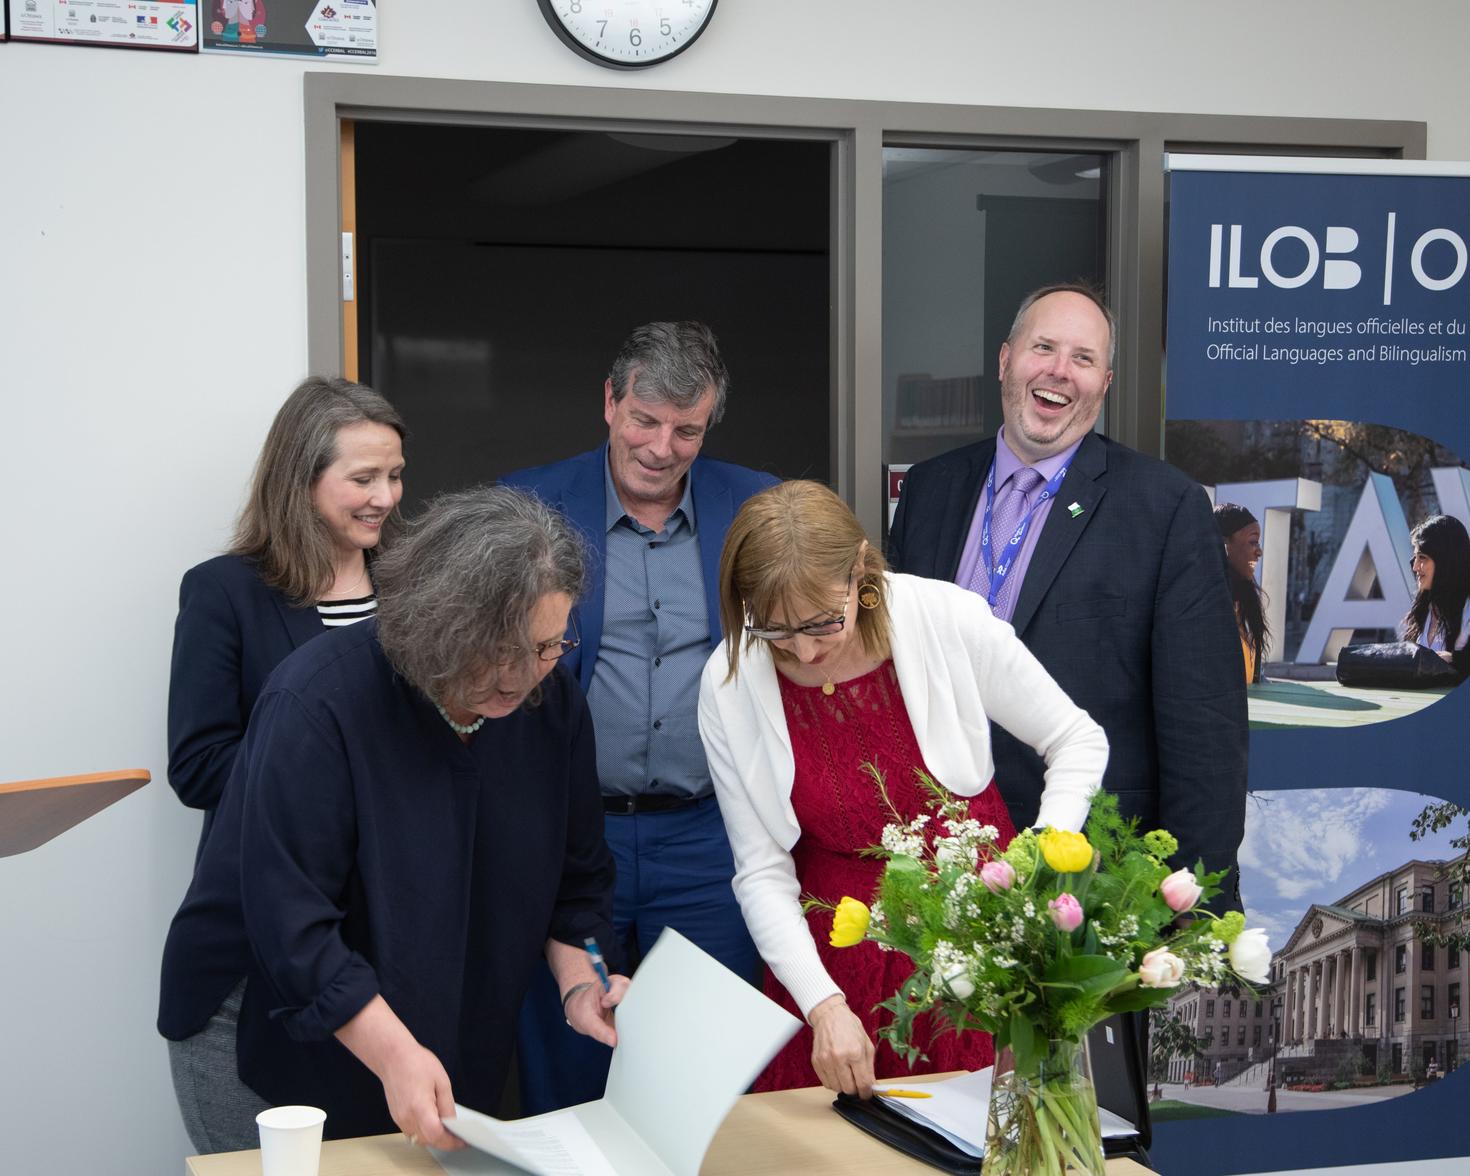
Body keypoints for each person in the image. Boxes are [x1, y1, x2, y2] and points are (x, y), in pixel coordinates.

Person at [158, 487, 623, 1153]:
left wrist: (585, 982)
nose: (525, 676)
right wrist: (395, 1052)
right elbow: (295, 927)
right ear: (438, 623)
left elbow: (577, 887)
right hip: (283, 1033)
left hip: (436, 1022)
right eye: (503, 649)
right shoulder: (319, 703)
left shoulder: (551, 706)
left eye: (549, 645)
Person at [699, 480, 1108, 1096]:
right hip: (832, 960)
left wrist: (1043, 861)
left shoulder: (947, 619)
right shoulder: (728, 682)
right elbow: (760, 871)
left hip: (973, 948)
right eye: (776, 633)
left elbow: (1076, 739)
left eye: (821, 624)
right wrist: (822, 1006)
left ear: (862, 570)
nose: (805, 652)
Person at [889, 284, 1247, 906]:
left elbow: (1205, 721)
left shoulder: (1165, 508)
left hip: (1092, 872)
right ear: (1005, 361)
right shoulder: (929, 490)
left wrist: (1198, 892)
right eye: (1044, 348)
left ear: (1105, 383)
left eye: (1083, 359)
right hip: (937, 857)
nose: (1059, 371)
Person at [503, 320, 777, 1113]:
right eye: (645, 421)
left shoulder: (755, 506)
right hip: (568, 840)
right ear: (610, 403)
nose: (663, 446)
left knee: (702, 1076)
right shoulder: (527, 507)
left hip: (705, 843)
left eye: (687, 429)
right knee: (572, 1056)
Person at [167, 376, 405, 857]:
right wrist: (349, 764)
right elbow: (198, 769)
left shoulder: (416, 585)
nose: (385, 497)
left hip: (396, 878)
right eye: (363, 479)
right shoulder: (223, 592)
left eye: (395, 475)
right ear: (302, 480)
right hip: (279, 879)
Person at [1402, 513, 1470, 678]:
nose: (1415, 567)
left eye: (1422, 558)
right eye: (1415, 558)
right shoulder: (1424, 608)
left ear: (1446, 561)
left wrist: (1456, 660)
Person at [1215, 503, 1269, 684]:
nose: (1259, 551)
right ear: (1224, 545)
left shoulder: (1243, 602)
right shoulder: (1203, 605)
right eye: (1253, 541)